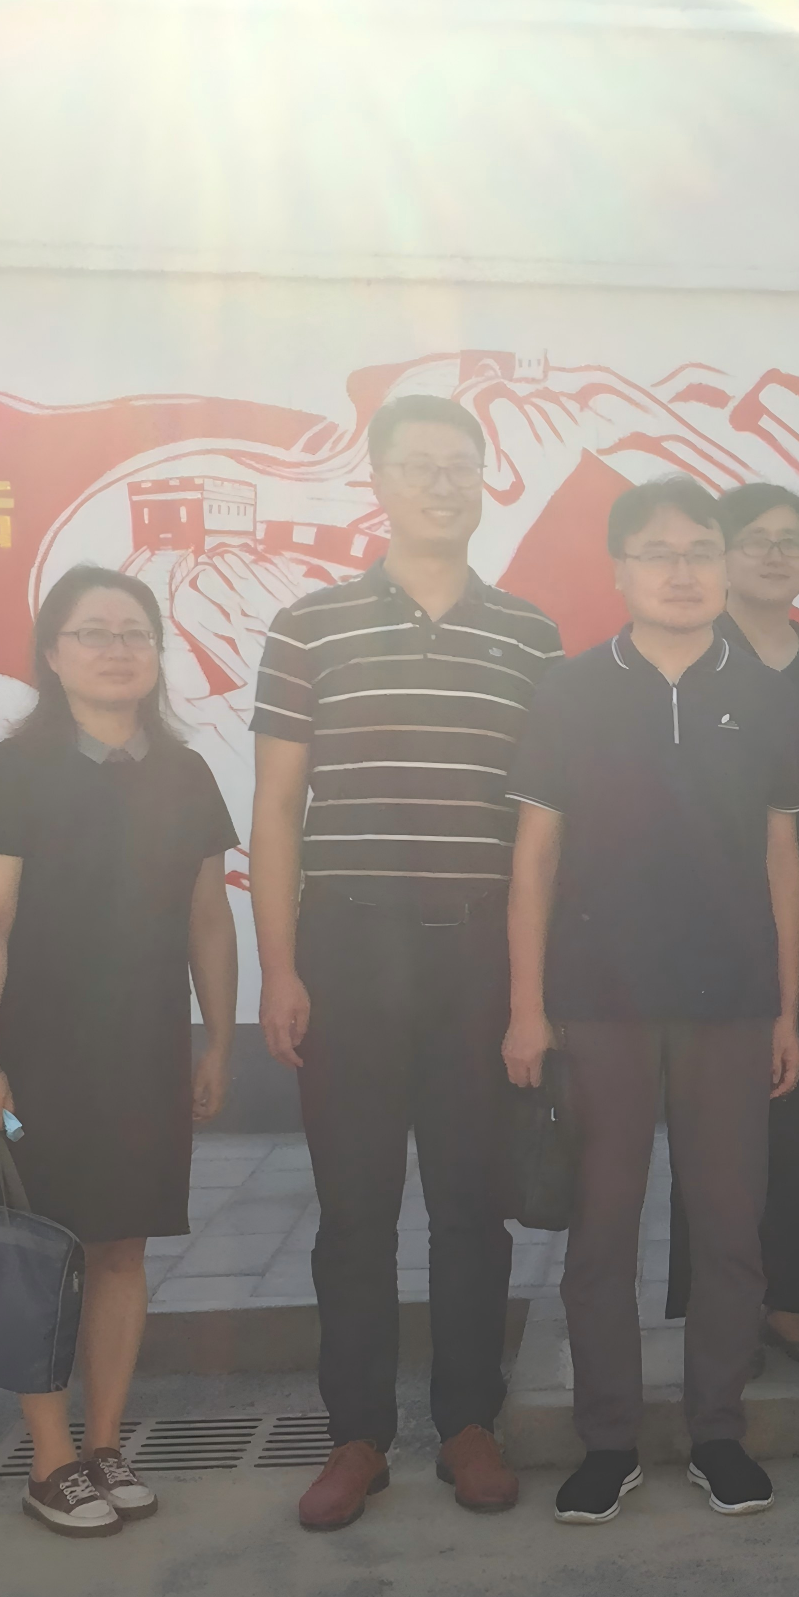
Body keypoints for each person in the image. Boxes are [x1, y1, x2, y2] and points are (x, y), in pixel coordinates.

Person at [250, 394, 565, 1531]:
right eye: (421, 464)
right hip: (347, 943)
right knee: (355, 1206)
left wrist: (530, 993)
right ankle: (358, 1435)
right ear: (377, 480)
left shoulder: (530, 635)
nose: (443, 483)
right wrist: (279, 967)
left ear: (484, 484)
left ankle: (469, 1422)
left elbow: (539, 830)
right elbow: (276, 808)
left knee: (474, 1203)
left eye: (461, 465)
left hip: (477, 947)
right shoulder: (311, 625)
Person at [505, 477, 799, 1523]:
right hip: (600, 1001)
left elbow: (782, 854)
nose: (683, 571)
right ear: (620, 571)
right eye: (659, 552)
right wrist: (526, 1005)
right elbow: (535, 857)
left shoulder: (769, 692)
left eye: (700, 550)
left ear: (724, 565)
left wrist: (787, 1003)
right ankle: (608, 1439)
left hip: (731, 1000)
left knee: (730, 1225)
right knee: (601, 1230)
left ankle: (719, 1431)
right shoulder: (570, 689)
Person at [0, 567, 241, 1539]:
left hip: (146, 1045)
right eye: (93, 632)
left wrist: (218, 1039)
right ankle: (50, 1461)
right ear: (53, 652)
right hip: (38, 1050)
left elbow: (209, 919)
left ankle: (107, 1444)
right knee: (40, 1252)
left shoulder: (185, 774)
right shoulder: (13, 770)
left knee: (122, 1246)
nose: (117, 648)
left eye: (135, 632)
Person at [691, 482, 799, 1369]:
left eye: (790, 539)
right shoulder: (689, 653)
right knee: (715, 1125)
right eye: (753, 537)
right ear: (722, 552)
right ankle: (720, 1304)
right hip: (710, 913)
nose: (772, 552)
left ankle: (787, 1298)